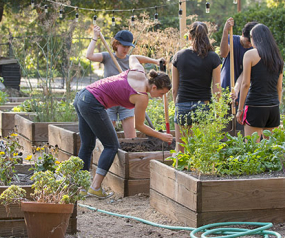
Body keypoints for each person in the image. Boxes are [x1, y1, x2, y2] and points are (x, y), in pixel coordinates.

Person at [74, 55, 174, 198]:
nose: (160, 97)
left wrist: (155, 61)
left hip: (82, 96)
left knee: (88, 144)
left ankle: (81, 187)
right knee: (112, 145)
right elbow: (139, 126)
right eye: (161, 93)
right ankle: (95, 187)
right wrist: (161, 136)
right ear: (153, 86)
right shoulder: (142, 96)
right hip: (92, 103)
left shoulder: (138, 71)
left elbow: (133, 57)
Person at [86, 26, 149, 138]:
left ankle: (129, 155)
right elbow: (89, 56)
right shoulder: (107, 56)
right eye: (123, 46)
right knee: (105, 137)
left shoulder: (131, 60)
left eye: (128, 47)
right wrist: (95, 37)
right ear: (116, 44)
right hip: (108, 101)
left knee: (132, 138)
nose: (126, 49)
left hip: (126, 101)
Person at [172, 22, 221, 152]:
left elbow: (174, 88)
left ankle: (180, 170)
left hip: (182, 103)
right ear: (207, 36)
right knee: (203, 147)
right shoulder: (213, 57)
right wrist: (218, 109)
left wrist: (176, 104)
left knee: (181, 147)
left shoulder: (179, 56)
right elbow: (216, 88)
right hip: (203, 104)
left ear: (190, 36)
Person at [236, 24, 284, 139]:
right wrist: (277, 104)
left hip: (255, 106)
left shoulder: (250, 55)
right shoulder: (277, 58)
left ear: (254, 38)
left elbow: (245, 84)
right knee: (271, 149)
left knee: (253, 148)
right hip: (273, 107)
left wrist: (240, 109)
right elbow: (279, 87)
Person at [219, 18, 257, 134]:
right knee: (225, 129)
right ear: (242, 34)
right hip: (226, 88)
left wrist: (237, 88)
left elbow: (246, 74)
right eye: (248, 41)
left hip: (244, 93)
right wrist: (225, 31)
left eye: (251, 41)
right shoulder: (231, 39)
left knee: (241, 131)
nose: (249, 44)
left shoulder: (253, 48)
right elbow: (223, 53)